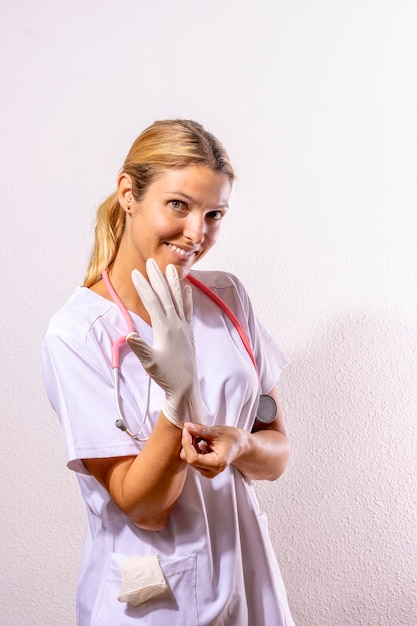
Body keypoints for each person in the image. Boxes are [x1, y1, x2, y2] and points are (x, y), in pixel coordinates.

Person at [41, 119, 295, 626]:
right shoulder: (77, 334)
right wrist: (177, 402)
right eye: (179, 205)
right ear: (128, 192)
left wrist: (241, 446)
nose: (197, 234)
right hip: (153, 599)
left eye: (214, 213)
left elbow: (277, 452)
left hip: (247, 578)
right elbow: (145, 508)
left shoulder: (227, 299)